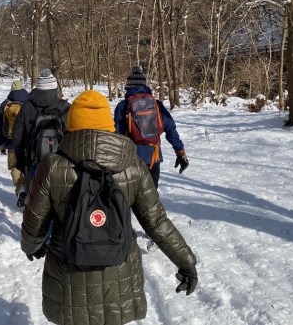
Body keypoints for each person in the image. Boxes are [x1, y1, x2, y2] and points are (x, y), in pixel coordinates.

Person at [21, 90, 198, 325]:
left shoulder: (52, 166)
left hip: (68, 273)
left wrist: (31, 246)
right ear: (109, 124)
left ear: (71, 123)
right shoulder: (132, 164)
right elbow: (156, 222)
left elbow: (34, 222)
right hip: (120, 272)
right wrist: (186, 262)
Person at [114, 65, 189, 189]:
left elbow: (118, 134)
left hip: (131, 159)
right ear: (145, 85)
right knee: (151, 199)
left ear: (128, 86)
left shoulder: (123, 106)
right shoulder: (156, 104)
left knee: (129, 197)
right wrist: (180, 152)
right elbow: (170, 128)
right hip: (154, 158)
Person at [12, 68, 70, 185]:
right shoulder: (66, 108)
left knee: (35, 199)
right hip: (61, 164)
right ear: (55, 88)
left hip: (35, 162)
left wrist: (21, 162)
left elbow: (17, 137)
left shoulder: (26, 107)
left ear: (38, 87)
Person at [0, 79, 31, 206]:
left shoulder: (5, 104)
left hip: (11, 143)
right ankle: (30, 190)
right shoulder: (29, 102)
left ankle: (20, 188)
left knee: (15, 167)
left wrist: (1, 143)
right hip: (27, 142)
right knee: (27, 165)